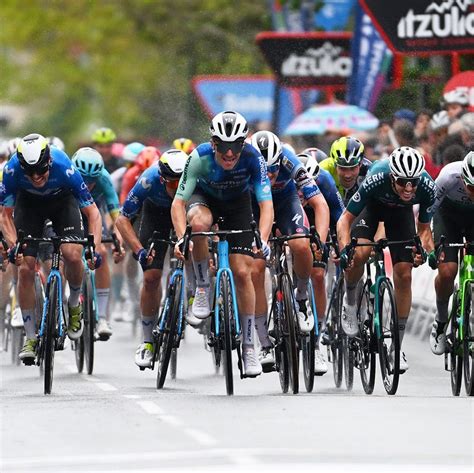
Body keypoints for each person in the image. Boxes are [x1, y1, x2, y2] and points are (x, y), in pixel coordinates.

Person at [171, 111, 274, 377]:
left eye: (236, 146)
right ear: (214, 143)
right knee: (200, 223)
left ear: (243, 144)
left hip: (239, 205)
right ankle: (204, 285)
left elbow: (266, 204)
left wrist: (262, 239)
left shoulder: (253, 158)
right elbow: (178, 203)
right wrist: (183, 237)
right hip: (205, 199)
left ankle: (249, 347)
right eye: (224, 147)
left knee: (243, 273)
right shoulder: (199, 157)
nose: (230, 154)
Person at [0, 133, 102, 363]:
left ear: (49, 161)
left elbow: (93, 212)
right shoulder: (11, 170)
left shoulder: (65, 166)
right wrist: (13, 245)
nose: (36, 177)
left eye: (41, 170)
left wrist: (92, 247)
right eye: (30, 172)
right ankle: (30, 336)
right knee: (25, 267)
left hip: (62, 204)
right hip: (29, 207)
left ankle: (74, 304)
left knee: (72, 254)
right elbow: (4, 216)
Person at [336, 146, 436, 372]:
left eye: (413, 182)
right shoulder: (376, 177)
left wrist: (422, 250)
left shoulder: (427, 187)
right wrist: (344, 249)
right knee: (360, 253)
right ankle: (350, 301)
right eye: (402, 182)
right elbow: (344, 220)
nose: (409, 188)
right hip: (371, 210)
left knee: (404, 272)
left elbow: (424, 230)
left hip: (401, 215)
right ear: (392, 177)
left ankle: (397, 346)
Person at [249, 131, 329, 372]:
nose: (271, 176)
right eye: (265, 172)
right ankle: (264, 343)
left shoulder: (289, 159)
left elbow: (320, 204)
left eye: (274, 170)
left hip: (285, 203)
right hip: (253, 206)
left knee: (301, 245)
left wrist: (320, 243)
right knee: (255, 268)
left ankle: (302, 299)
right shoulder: (244, 163)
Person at [116, 149, 189, 368]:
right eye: (171, 183)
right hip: (155, 218)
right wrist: (139, 251)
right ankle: (147, 341)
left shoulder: (197, 178)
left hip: (185, 215)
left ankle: (195, 295)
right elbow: (122, 220)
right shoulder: (148, 180)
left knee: (195, 247)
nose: (175, 188)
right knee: (151, 277)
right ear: (162, 178)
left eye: (180, 183)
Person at [71, 147, 125, 339]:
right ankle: (69, 303)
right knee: (67, 256)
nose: (88, 184)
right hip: (69, 216)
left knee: (100, 252)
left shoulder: (104, 179)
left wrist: (118, 236)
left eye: (92, 180)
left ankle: (102, 316)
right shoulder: (67, 176)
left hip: (93, 217)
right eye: (84, 179)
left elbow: (115, 212)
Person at [429, 152, 474, 355]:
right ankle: (440, 321)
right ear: (463, 178)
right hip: (448, 217)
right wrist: (430, 247)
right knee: (447, 271)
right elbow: (426, 213)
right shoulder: (448, 176)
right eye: (471, 188)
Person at [320, 136, 372, 205]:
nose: (348, 175)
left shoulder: (369, 171)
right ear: (335, 165)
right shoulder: (323, 169)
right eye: (342, 168)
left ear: (360, 164)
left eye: (352, 168)